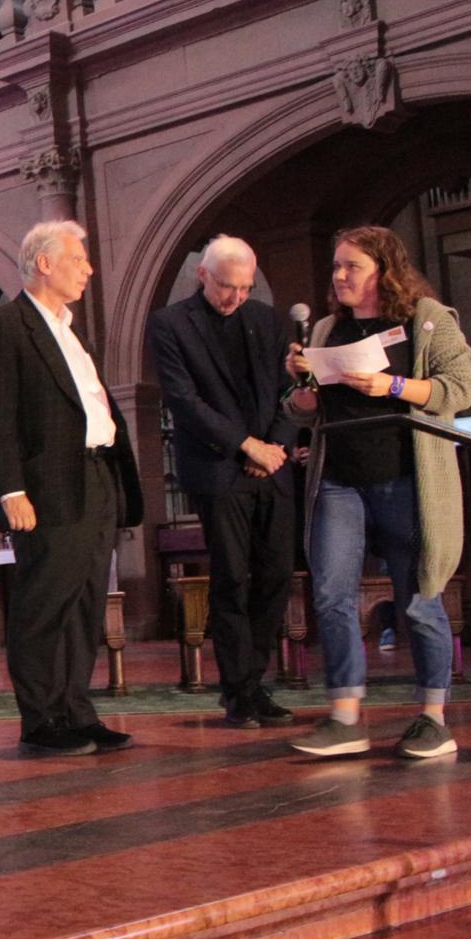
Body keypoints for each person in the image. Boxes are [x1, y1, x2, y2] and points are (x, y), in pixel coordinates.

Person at [284, 225, 471, 758]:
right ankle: (346, 717)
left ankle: (432, 717)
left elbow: (461, 388)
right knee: (331, 595)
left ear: (383, 272)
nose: (340, 276)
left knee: (419, 597)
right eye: (336, 266)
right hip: (339, 479)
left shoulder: (427, 321)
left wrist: (391, 386)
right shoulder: (327, 328)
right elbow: (302, 411)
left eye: (353, 267)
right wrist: (302, 386)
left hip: (406, 478)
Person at [0, 220, 144, 756]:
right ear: (44, 263)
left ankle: (76, 710)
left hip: (94, 478)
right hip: (46, 489)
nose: (89, 269)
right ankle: (41, 720)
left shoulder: (70, 328)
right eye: (78, 259)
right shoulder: (4, 326)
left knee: (86, 605)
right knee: (45, 605)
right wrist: (10, 491)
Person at [146, 235, 299, 727]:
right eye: (227, 287)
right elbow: (185, 402)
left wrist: (271, 447)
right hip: (218, 470)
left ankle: (255, 681)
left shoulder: (264, 319)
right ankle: (239, 691)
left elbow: (289, 391)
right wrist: (244, 446)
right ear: (203, 277)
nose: (236, 297)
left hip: (270, 467)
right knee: (232, 579)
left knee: (275, 576)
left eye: (245, 288)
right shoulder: (171, 324)